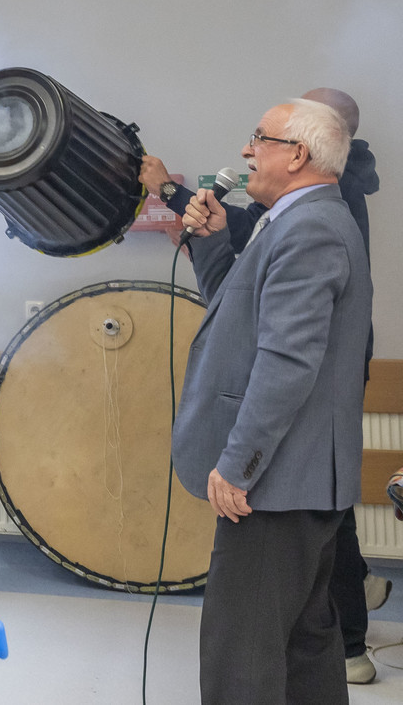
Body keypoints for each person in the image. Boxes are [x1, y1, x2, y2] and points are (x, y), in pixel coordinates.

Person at [143, 86, 389, 683]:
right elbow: (234, 312)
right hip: (293, 480)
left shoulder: (309, 229)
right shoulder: (294, 220)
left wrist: (238, 464)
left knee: (241, 656)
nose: (247, 150)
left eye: (260, 139)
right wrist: (209, 239)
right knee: (307, 647)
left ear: (298, 154)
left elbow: (287, 362)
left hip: (276, 483)